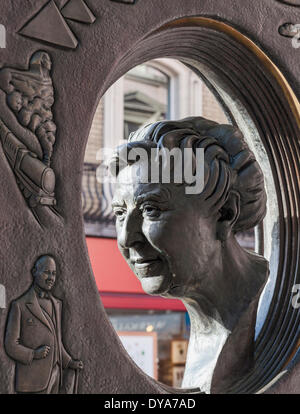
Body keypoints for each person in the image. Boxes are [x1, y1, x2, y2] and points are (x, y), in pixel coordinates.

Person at [110, 117, 269, 393]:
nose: (127, 237)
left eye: (151, 209)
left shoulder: (280, 307)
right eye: (120, 214)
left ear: (224, 214)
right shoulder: (206, 327)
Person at [5, 255, 83, 394]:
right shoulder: (20, 305)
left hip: (55, 377)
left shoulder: (57, 304)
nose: (51, 278)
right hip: (31, 381)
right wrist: (33, 354)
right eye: (46, 272)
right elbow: (10, 345)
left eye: (53, 273)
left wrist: (69, 362)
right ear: (35, 272)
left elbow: (57, 340)